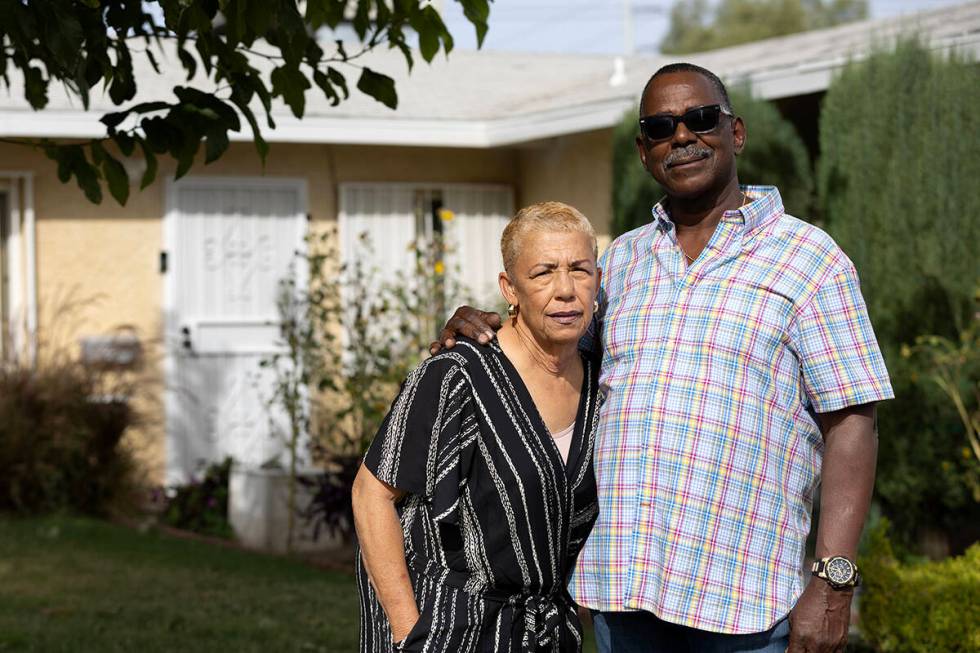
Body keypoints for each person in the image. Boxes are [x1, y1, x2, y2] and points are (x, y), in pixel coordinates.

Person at [432, 63, 894, 653]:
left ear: (737, 132)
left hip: (745, 610)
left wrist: (833, 581)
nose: (681, 137)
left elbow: (853, 421)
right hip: (619, 598)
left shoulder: (810, 260)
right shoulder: (620, 261)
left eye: (701, 119)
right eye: (660, 127)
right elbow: (553, 355)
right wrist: (484, 326)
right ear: (644, 151)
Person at [352, 201, 604, 653]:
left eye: (579, 269)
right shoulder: (458, 374)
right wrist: (409, 630)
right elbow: (371, 494)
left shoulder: (603, 382)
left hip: (547, 635)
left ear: (598, 280)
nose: (565, 289)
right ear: (510, 288)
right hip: (449, 631)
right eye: (543, 272)